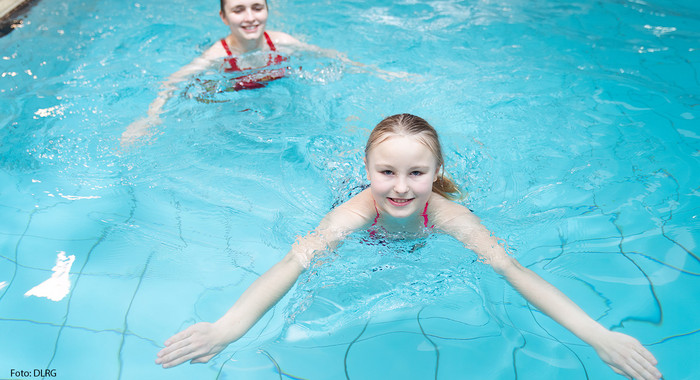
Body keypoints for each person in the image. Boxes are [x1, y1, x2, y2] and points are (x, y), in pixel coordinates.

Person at [155, 114, 662, 380]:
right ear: (366, 173)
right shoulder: (353, 212)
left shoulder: (451, 217)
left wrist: (599, 336)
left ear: (436, 174)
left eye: (416, 174)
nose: (400, 188)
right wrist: (228, 328)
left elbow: (513, 271)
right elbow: (294, 261)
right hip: (372, 234)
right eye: (386, 173)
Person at [120, 0, 404, 146]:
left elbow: (332, 57)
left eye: (257, 7)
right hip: (234, 105)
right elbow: (173, 82)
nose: (250, 17)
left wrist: (380, 73)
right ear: (224, 17)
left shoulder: (280, 42)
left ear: (267, 9)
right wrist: (149, 119)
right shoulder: (216, 57)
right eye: (238, 10)